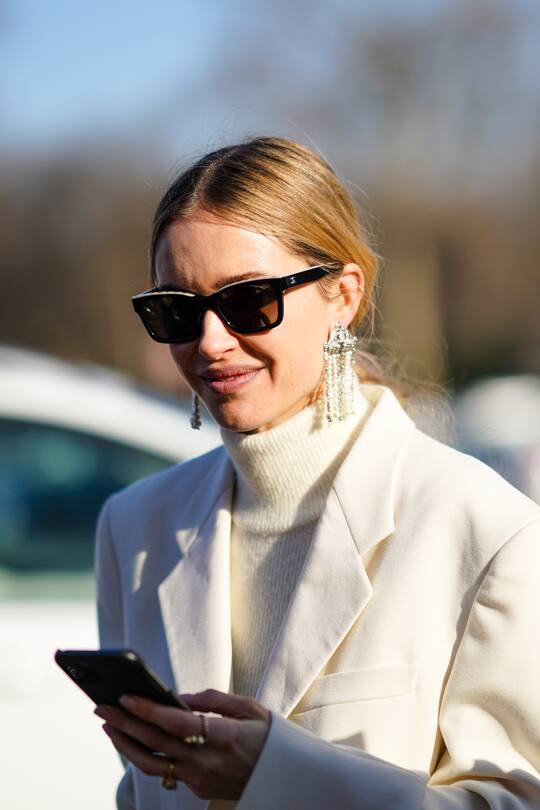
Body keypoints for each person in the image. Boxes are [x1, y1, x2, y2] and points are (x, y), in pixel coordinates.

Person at [94, 136, 540, 810]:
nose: (210, 340)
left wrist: (276, 777)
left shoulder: (484, 528)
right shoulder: (133, 527)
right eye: (177, 310)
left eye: (249, 301)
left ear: (344, 296)